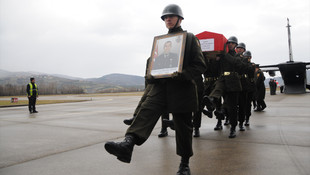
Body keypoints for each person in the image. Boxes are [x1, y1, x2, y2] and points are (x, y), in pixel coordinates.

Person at [104, 4, 206, 175]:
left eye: (171, 16)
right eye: (165, 17)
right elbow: (153, 65)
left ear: (180, 19)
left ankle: (184, 164)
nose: (168, 19)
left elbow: (200, 65)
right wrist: (151, 75)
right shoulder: (160, 42)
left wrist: (182, 74)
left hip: (182, 89)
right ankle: (127, 144)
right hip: (161, 87)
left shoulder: (189, 38)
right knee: (146, 111)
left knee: (183, 128)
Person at [203, 36, 253, 138]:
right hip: (222, 79)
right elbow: (214, 69)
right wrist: (214, 59)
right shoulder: (222, 56)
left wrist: (224, 55)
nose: (230, 44)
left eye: (232, 43)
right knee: (217, 89)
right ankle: (211, 100)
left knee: (232, 107)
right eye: (228, 43)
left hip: (234, 81)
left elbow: (236, 64)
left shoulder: (239, 56)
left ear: (235, 45)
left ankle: (233, 128)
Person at [123, 59, 170, 138]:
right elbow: (147, 73)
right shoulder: (150, 59)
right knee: (144, 100)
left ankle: (164, 128)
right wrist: (147, 86)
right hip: (153, 82)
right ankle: (135, 117)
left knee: (164, 108)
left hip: (166, 81)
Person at [242, 51, 256, 126]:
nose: (246, 58)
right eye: (245, 57)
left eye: (247, 57)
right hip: (243, 86)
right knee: (242, 103)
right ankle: (242, 117)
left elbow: (250, 70)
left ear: (250, 58)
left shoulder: (252, 65)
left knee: (248, 104)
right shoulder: (242, 65)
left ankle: (247, 118)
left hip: (250, 87)